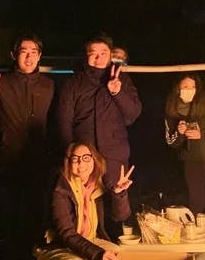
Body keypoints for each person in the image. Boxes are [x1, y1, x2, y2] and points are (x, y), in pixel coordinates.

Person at [0, 33, 55, 260]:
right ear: (14, 55)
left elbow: (55, 122)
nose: (29, 57)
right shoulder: (2, 83)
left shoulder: (48, 85)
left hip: (39, 161)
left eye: (33, 52)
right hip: (9, 160)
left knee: (37, 215)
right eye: (24, 51)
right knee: (9, 216)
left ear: (40, 56)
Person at [34, 142, 134, 260]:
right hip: (57, 245)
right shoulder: (60, 189)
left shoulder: (97, 186)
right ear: (69, 163)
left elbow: (120, 216)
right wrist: (98, 254)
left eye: (86, 157)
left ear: (95, 160)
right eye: (75, 159)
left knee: (120, 255)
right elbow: (66, 233)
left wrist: (118, 193)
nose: (81, 163)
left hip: (88, 239)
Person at [57, 34, 142, 191]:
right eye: (93, 53)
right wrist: (72, 155)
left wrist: (117, 92)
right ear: (86, 56)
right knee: (83, 201)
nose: (99, 58)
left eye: (103, 53)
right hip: (83, 158)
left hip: (114, 155)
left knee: (117, 198)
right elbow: (64, 122)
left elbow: (133, 113)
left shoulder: (122, 79)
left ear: (110, 54)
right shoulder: (73, 83)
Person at [164, 73, 205, 236]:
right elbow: (171, 141)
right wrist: (180, 133)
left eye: (192, 87)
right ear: (178, 89)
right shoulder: (172, 109)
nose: (189, 90)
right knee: (196, 199)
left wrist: (203, 134)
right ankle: (197, 235)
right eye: (185, 87)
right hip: (192, 158)